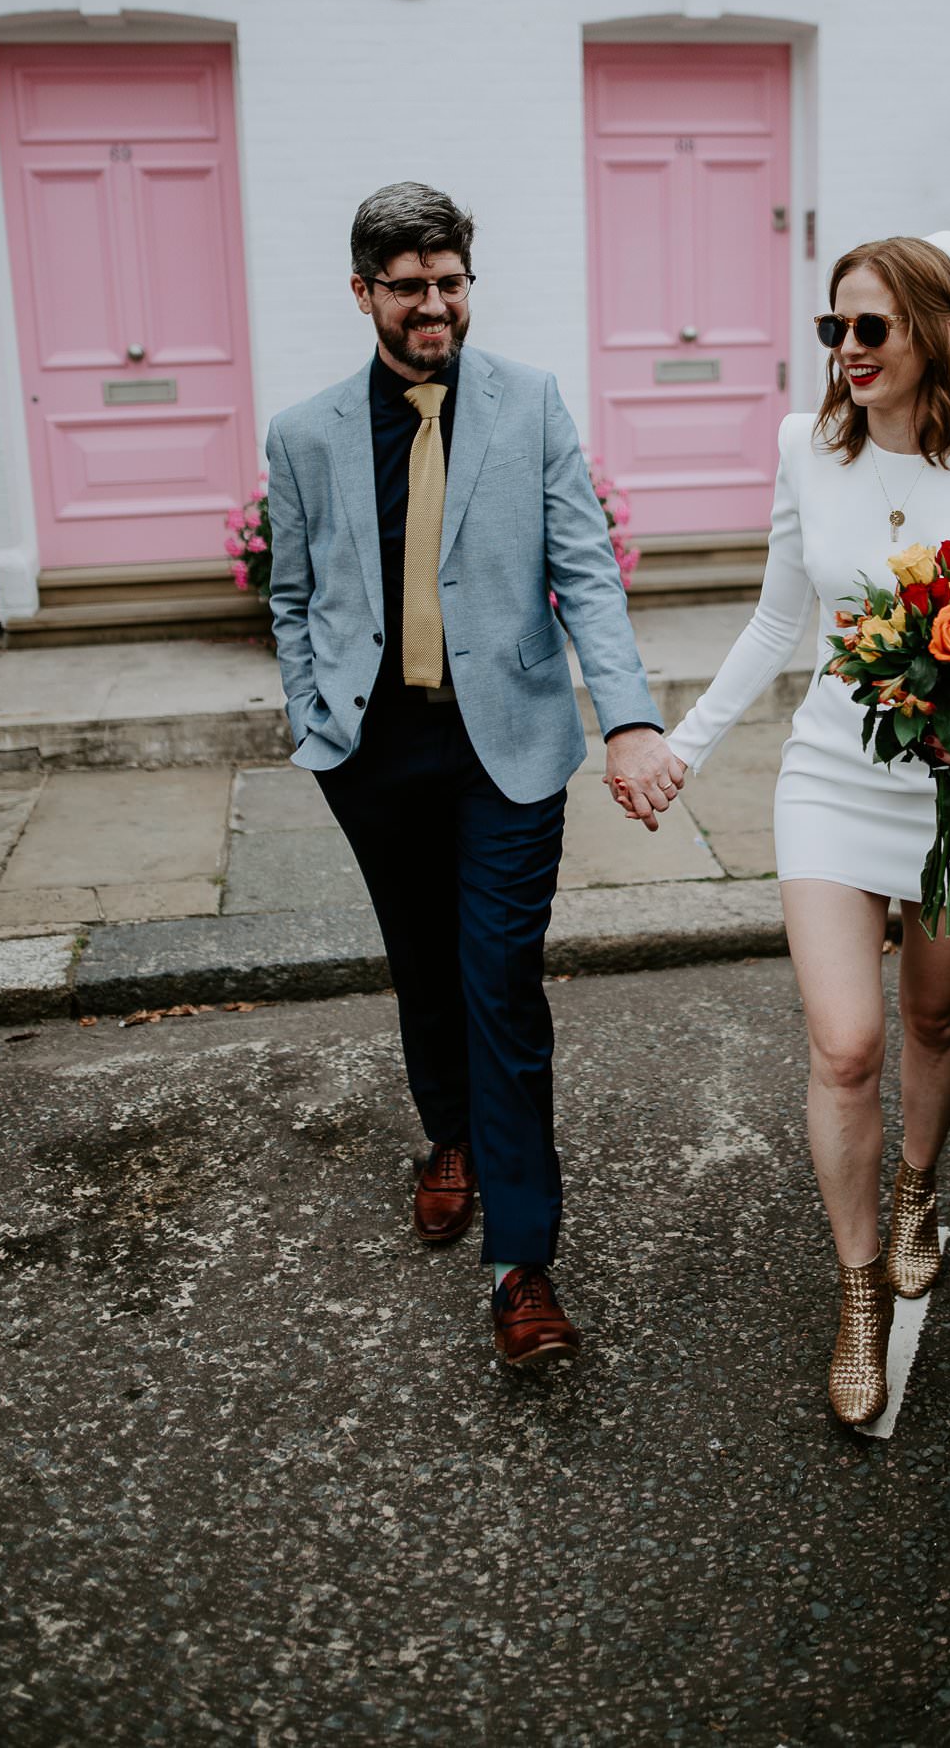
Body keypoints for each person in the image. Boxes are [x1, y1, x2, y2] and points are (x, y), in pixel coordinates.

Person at [650, 233, 950, 1426]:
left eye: (868, 329)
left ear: (934, 330)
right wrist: (684, 744)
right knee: (845, 1044)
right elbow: (779, 617)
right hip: (832, 777)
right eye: (832, 328)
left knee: (935, 1016)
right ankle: (856, 1295)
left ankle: (918, 1191)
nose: (844, 352)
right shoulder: (805, 446)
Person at [265, 182, 686, 1370]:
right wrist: (310, 710)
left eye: (450, 281)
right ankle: (444, 1132)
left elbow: (587, 573)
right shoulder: (305, 433)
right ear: (365, 295)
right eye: (410, 287)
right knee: (423, 961)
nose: (435, 304)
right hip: (374, 753)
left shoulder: (530, 401)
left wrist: (629, 720)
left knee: (500, 981)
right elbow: (293, 596)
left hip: (507, 750)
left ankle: (522, 1265)